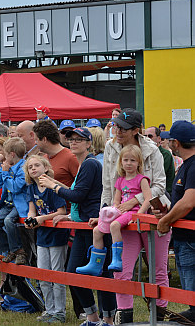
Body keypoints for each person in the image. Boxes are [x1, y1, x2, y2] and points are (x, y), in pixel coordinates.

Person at [99, 108, 170, 324]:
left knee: (158, 269)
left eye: (123, 127)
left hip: (154, 213)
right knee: (120, 268)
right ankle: (125, 315)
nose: (118, 130)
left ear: (136, 130)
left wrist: (135, 200)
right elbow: (109, 185)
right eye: (116, 126)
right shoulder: (111, 147)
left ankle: (161, 314)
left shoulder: (152, 150)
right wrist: (105, 212)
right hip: (123, 216)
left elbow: (160, 185)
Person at [39, 127, 115, 326]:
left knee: (103, 274)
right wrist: (68, 215)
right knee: (74, 272)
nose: (73, 142)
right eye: (71, 138)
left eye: (79, 139)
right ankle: (92, 317)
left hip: (94, 228)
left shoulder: (90, 164)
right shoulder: (83, 165)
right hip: (82, 227)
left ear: (89, 143)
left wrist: (53, 186)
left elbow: (78, 196)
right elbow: (78, 197)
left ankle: (107, 319)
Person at [78, 145, 152, 276]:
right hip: (121, 212)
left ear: (139, 162)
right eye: (126, 160)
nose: (129, 163)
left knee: (114, 225)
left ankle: (117, 259)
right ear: (121, 162)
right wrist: (106, 216)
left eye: (133, 160)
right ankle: (95, 264)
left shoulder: (142, 180)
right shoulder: (120, 180)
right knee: (96, 230)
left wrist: (139, 215)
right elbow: (116, 201)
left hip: (133, 212)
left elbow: (148, 199)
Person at [157, 120, 195, 322]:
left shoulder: (193, 165)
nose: (168, 142)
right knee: (189, 286)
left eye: (170, 139)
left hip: (191, 237)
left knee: (191, 286)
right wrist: (167, 211)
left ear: (177, 143)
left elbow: (189, 202)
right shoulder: (188, 165)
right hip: (185, 236)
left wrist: (166, 220)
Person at [24, 154, 69, 324]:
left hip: (57, 234)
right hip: (41, 235)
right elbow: (32, 210)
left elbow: (62, 211)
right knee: (42, 274)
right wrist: (30, 218)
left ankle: (60, 311)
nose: (33, 168)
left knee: (56, 274)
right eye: (30, 167)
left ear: (45, 168)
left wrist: (41, 219)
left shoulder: (52, 187)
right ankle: (49, 309)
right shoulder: (31, 188)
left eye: (37, 165)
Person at [0, 137, 28, 265]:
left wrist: (6, 173)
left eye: (5, 155)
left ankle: (19, 250)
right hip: (8, 204)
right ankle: (8, 250)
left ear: (12, 154)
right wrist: (1, 170)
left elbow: (16, 188)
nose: (4, 158)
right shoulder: (8, 167)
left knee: (8, 221)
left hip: (19, 204)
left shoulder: (23, 168)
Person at [33, 119, 79, 188]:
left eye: (36, 140)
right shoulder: (44, 158)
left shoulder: (71, 157)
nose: (35, 143)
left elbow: (80, 190)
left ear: (44, 139)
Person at [144, 126, 175, 194]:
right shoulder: (144, 152)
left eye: (150, 136)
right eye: (144, 136)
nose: (146, 139)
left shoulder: (165, 154)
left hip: (164, 192)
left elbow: (155, 175)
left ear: (159, 138)